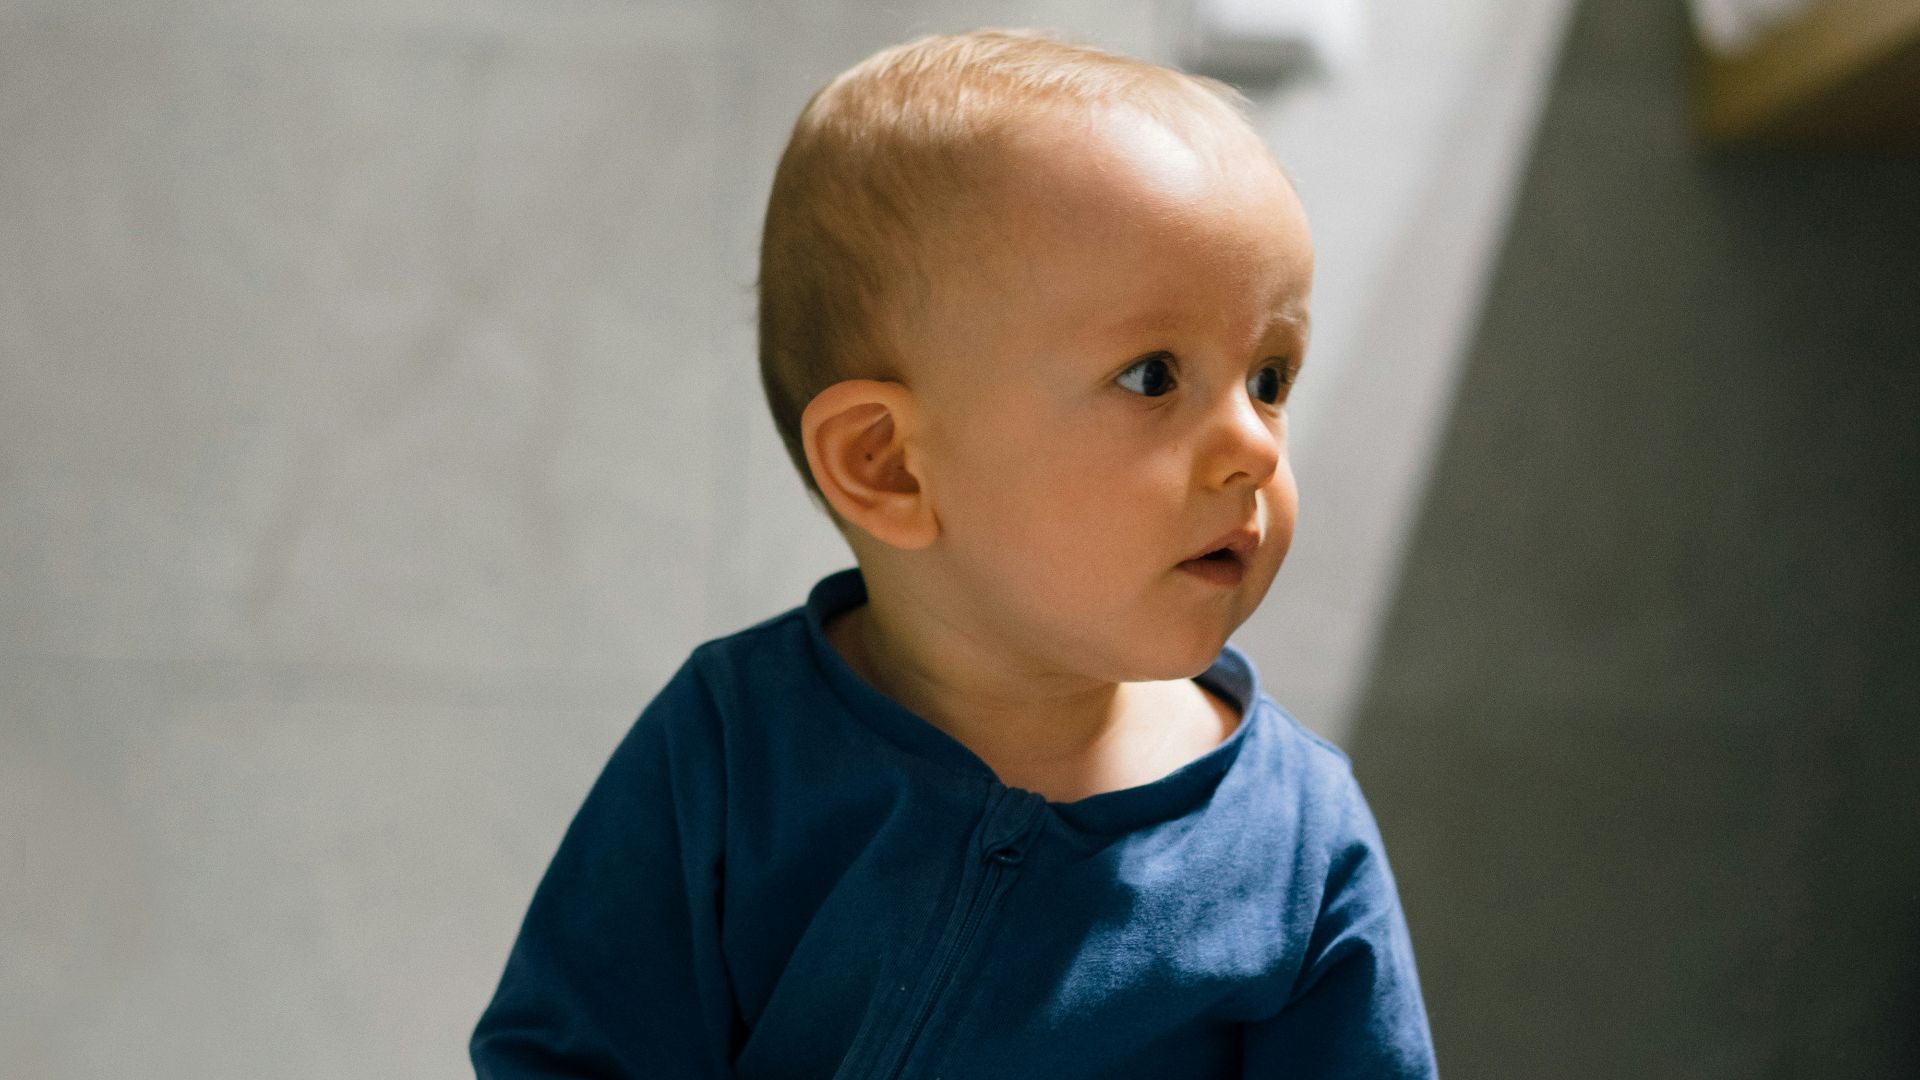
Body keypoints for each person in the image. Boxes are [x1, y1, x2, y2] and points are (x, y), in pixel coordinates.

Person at [471, 27, 1438, 1079]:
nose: (1254, 445)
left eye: (1270, 379)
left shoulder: (1295, 841)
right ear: (888, 464)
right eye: (1153, 376)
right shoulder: (737, 750)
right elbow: (572, 1057)